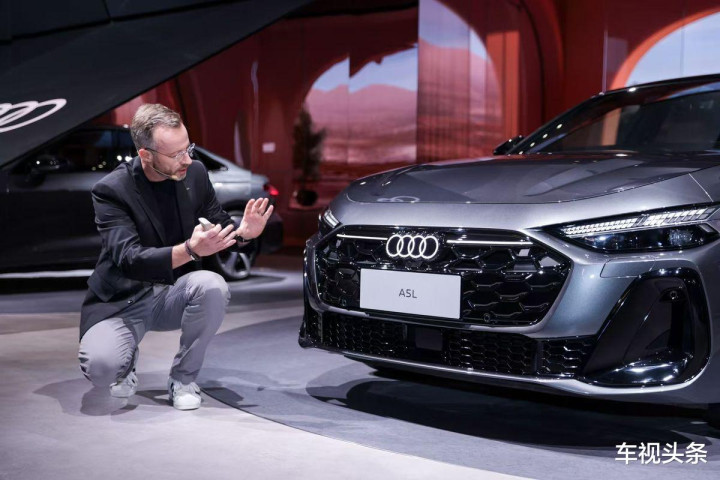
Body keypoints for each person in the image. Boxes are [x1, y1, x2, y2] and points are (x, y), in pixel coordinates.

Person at [77, 103, 273, 410]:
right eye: (177, 154)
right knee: (102, 369)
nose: (188, 159)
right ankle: (125, 363)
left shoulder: (195, 173)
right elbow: (129, 258)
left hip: (171, 292)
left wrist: (245, 233)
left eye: (188, 148)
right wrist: (190, 250)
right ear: (146, 155)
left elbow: (218, 224)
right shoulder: (112, 190)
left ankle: (183, 379)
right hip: (123, 299)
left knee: (212, 286)